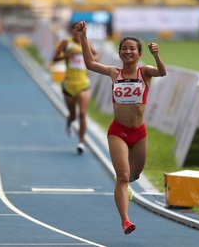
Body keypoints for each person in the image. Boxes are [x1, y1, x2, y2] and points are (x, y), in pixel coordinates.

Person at [75, 21, 167, 234]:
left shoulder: (145, 72)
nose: (127, 51)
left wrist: (156, 55)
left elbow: (162, 72)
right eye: (124, 48)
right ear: (119, 52)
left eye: (132, 49)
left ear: (138, 53)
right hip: (118, 131)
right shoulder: (113, 72)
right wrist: (83, 37)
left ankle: (125, 183)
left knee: (134, 175)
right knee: (124, 177)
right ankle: (126, 220)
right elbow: (90, 64)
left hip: (139, 132)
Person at [52, 22, 99, 154]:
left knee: (82, 114)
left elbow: (97, 56)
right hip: (69, 84)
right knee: (73, 115)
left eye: (78, 31)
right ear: (71, 32)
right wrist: (67, 56)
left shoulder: (86, 44)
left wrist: (88, 57)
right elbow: (55, 58)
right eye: (74, 30)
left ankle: (81, 142)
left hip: (84, 84)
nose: (76, 33)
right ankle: (69, 122)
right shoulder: (65, 43)